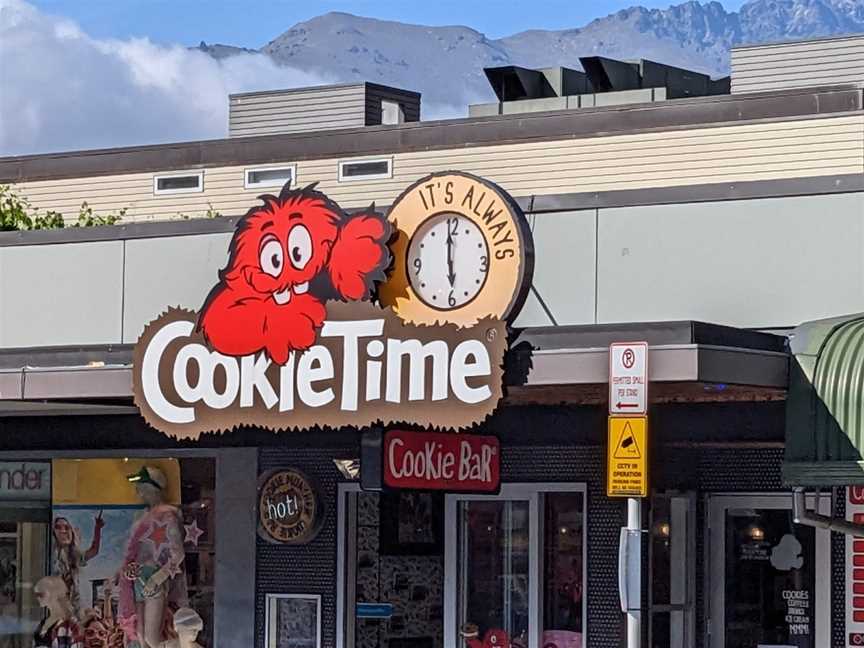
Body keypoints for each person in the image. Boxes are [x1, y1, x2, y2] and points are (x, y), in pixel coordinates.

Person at [117, 466, 188, 648]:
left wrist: (158, 578)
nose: (138, 490)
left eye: (141, 485)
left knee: (150, 637)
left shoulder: (167, 516)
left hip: (154, 577)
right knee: (140, 635)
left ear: (151, 487)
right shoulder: (142, 516)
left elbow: (178, 554)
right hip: (139, 577)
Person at [52, 513, 104, 615]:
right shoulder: (52, 556)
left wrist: (97, 529)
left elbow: (94, 550)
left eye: (66, 528)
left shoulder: (75, 555)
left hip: (75, 605)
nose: (63, 531)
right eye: (58, 528)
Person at [33, 575, 84, 648]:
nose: (37, 598)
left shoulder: (71, 625)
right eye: (36, 595)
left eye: (41, 594)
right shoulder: (43, 623)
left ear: (54, 593)